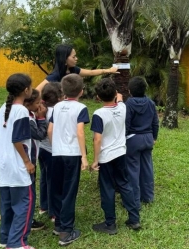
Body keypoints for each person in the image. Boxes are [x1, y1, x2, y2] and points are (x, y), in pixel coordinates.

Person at [90, 78, 140, 235]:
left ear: (98, 97)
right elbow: (120, 99)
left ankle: (110, 224)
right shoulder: (123, 108)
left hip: (106, 157)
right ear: (115, 93)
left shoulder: (98, 114)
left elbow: (97, 139)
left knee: (107, 189)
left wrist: (95, 160)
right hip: (121, 153)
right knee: (125, 184)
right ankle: (134, 219)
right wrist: (117, 96)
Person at [0, 73, 36, 249]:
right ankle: (17, 243)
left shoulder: (2, 108)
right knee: (23, 205)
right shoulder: (22, 111)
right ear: (26, 90)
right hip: (18, 167)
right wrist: (27, 161)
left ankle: (5, 239)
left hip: (3, 166)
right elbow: (17, 139)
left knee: (7, 205)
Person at [47, 74, 89, 246]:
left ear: (62, 90)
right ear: (81, 91)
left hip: (56, 154)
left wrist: (56, 145)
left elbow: (50, 130)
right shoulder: (81, 108)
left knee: (57, 189)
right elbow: (80, 132)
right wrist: (84, 157)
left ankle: (58, 224)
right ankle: (66, 232)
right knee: (69, 192)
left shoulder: (56, 107)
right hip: (72, 155)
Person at [125, 76, 159, 210]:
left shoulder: (129, 103)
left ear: (129, 91)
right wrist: (154, 137)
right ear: (145, 89)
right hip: (148, 138)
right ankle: (148, 196)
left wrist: (124, 138)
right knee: (147, 168)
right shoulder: (151, 103)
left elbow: (126, 123)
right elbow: (155, 122)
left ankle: (134, 200)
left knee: (133, 170)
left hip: (133, 139)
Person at [36, 44, 119, 92]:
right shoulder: (55, 76)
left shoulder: (74, 70)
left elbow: (91, 72)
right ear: (64, 59)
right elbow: (37, 91)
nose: (76, 59)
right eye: (74, 57)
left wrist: (109, 70)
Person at [38, 82, 63, 220]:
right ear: (59, 97)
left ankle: (44, 205)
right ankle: (53, 212)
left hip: (42, 149)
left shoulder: (42, 109)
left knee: (44, 177)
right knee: (53, 181)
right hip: (52, 151)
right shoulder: (56, 112)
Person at [23, 89, 48, 231]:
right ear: (28, 103)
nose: (40, 105)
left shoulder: (24, 113)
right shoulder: (26, 117)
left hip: (27, 158)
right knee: (29, 193)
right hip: (28, 160)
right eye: (38, 102)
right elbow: (40, 135)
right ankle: (28, 222)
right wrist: (41, 118)